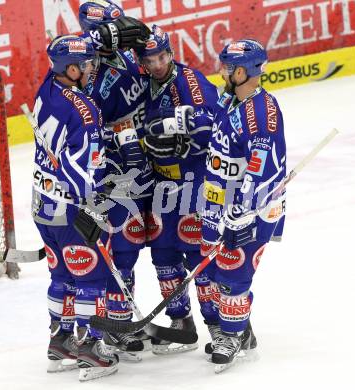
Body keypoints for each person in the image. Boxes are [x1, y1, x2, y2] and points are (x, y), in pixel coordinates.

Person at [32, 35, 119, 381]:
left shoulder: (46, 88)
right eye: (84, 65)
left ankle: (61, 338)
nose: (90, 69)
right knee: (93, 277)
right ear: (70, 69)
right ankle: (90, 346)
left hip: (42, 201)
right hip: (73, 208)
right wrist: (94, 205)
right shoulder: (87, 111)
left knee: (62, 275)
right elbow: (81, 170)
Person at [201, 39, 286, 371]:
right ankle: (242, 329)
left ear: (242, 71)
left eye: (226, 67)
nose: (221, 71)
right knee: (212, 266)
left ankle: (233, 335)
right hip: (217, 200)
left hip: (251, 207)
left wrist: (243, 211)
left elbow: (261, 167)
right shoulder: (230, 99)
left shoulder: (262, 113)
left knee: (235, 270)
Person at [135, 25, 220, 354]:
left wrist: (174, 125)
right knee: (164, 254)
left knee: (199, 256)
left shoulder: (190, 81)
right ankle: (180, 321)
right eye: (150, 59)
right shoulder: (144, 85)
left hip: (193, 180)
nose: (157, 64)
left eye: (162, 56)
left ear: (171, 54)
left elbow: (211, 120)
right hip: (161, 181)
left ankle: (219, 324)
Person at [78, 0, 152, 358]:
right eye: (114, 26)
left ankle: (119, 320)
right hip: (113, 173)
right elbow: (88, 128)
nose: (123, 30)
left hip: (143, 161)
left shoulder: (122, 55)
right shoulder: (85, 71)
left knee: (134, 249)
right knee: (114, 253)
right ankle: (106, 327)